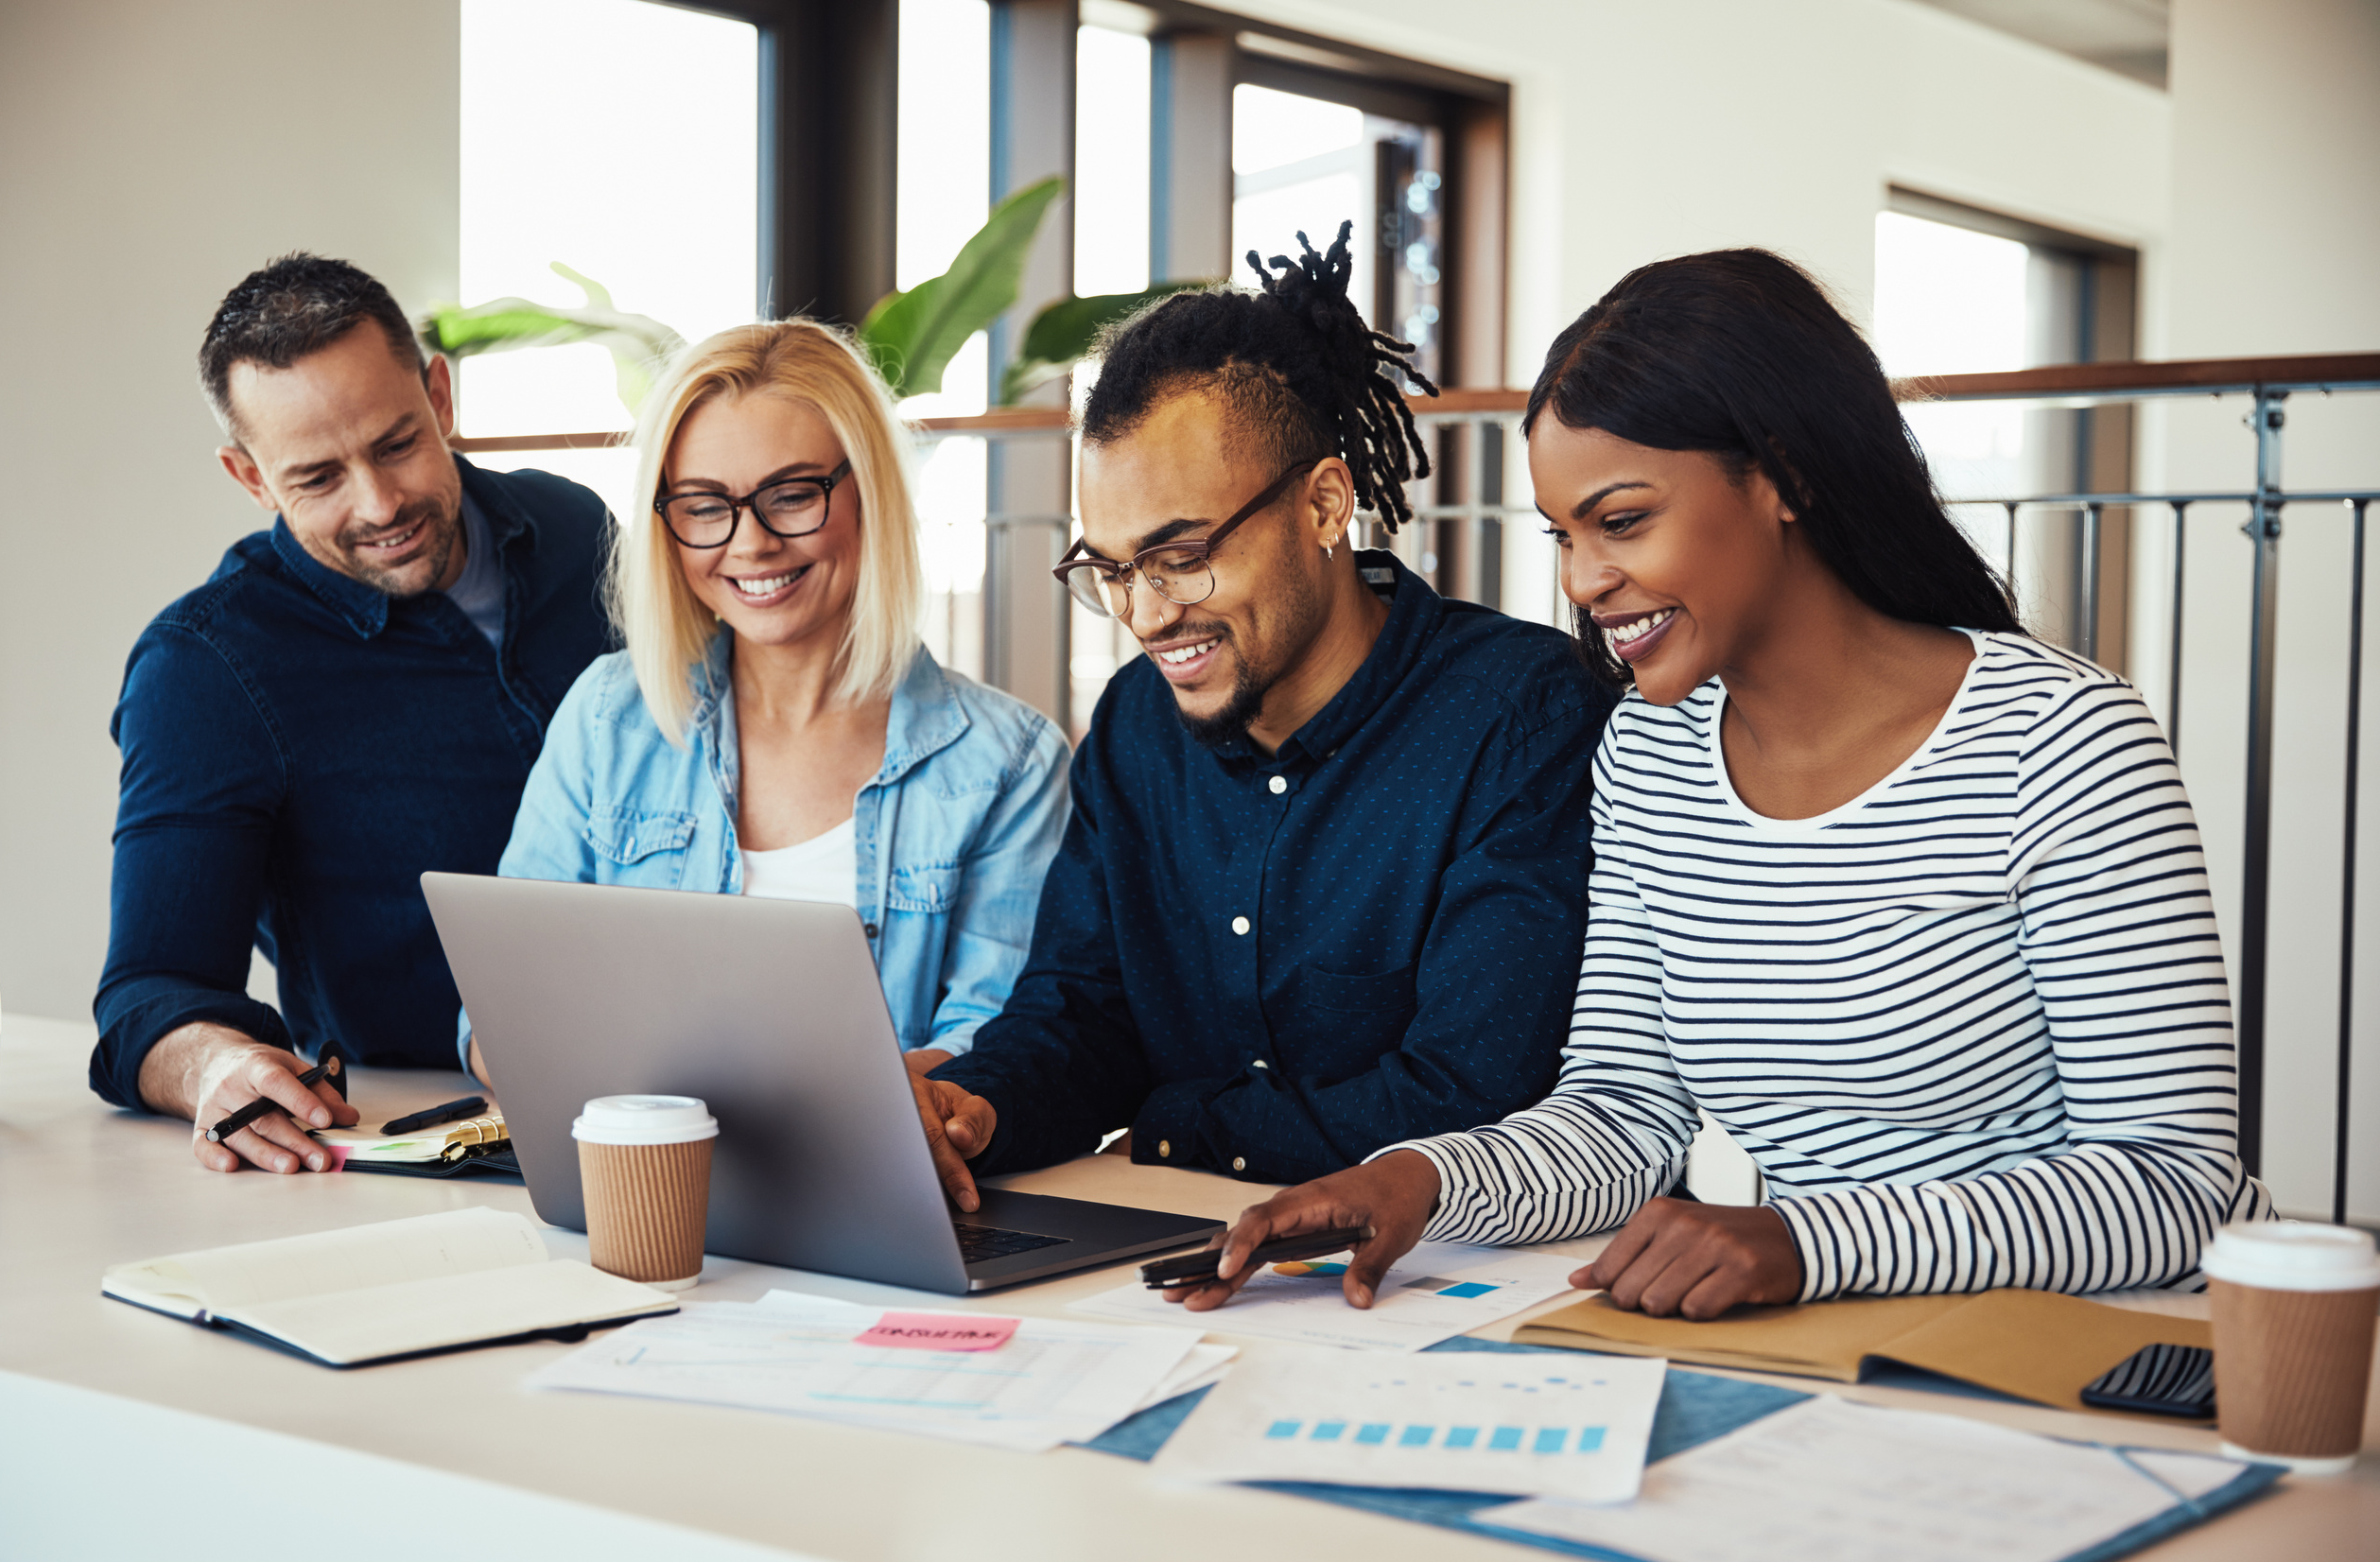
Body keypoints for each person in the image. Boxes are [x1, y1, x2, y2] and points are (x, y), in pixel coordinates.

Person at [1176, 248, 2279, 1319]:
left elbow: (2171, 1183)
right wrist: (1412, 1179)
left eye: (1620, 521)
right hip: (1847, 1340)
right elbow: (1623, 1113)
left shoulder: (2061, 744)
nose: (1583, 581)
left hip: (2104, 1349)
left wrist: (1807, 1241)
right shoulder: (1650, 755)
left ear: (1784, 475)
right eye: (1561, 535)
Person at [911, 225, 1617, 1212]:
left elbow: (1475, 1092)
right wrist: (971, 1103)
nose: (1147, 613)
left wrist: (1173, 1122)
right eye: (1110, 569)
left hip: (1462, 1276)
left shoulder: (1522, 715)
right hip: (1183, 1253)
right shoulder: (1135, 726)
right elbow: (1080, 1014)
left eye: (1181, 553)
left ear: (1325, 504)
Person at [91, 254, 617, 1174]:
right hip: (434, 1145)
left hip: (688, 1103)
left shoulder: (580, 532)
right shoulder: (206, 667)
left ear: (440, 397)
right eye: (317, 478)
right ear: (249, 477)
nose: (380, 504)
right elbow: (148, 992)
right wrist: (215, 1060)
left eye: (395, 443)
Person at [469, 321, 1068, 1081]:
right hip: (636, 1174)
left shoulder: (1007, 761)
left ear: (870, 490)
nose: (749, 544)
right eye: (703, 505)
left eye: (790, 495)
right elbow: (496, 1016)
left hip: (878, 1190)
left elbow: (992, 1046)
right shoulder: (607, 717)